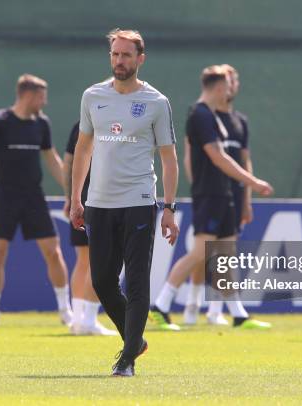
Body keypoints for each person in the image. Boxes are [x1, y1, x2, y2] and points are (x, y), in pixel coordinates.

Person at [70, 29, 179, 377]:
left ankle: (127, 357)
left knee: (135, 282)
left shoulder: (157, 103)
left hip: (139, 202)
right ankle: (136, 340)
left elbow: (169, 159)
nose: (120, 61)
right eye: (115, 55)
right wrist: (76, 197)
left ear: (140, 59)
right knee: (101, 280)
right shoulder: (92, 96)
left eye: (127, 55)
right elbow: (83, 148)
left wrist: (169, 208)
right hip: (99, 204)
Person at [149, 65, 273, 331]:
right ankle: (160, 305)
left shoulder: (218, 117)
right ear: (218, 88)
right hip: (211, 194)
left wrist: (244, 192)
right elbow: (217, 156)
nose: (230, 91)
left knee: (225, 256)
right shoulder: (200, 115)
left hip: (225, 193)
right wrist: (253, 182)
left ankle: (238, 314)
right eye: (228, 86)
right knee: (199, 254)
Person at [0, 74, 73, 328]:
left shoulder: (42, 124)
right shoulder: (0, 121)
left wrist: (72, 190)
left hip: (34, 197)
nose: (45, 102)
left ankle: (66, 311)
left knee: (54, 253)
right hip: (5, 197)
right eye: (42, 97)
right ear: (29, 95)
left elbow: (52, 159)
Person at [63, 120, 117, 336]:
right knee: (100, 260)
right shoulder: (114, 121)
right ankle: (88, 319)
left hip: (83, 197)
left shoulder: (81, 124)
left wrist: (70, 195)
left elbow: (68, 162)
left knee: (84, 260)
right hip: (102, 198)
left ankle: (78, 320)